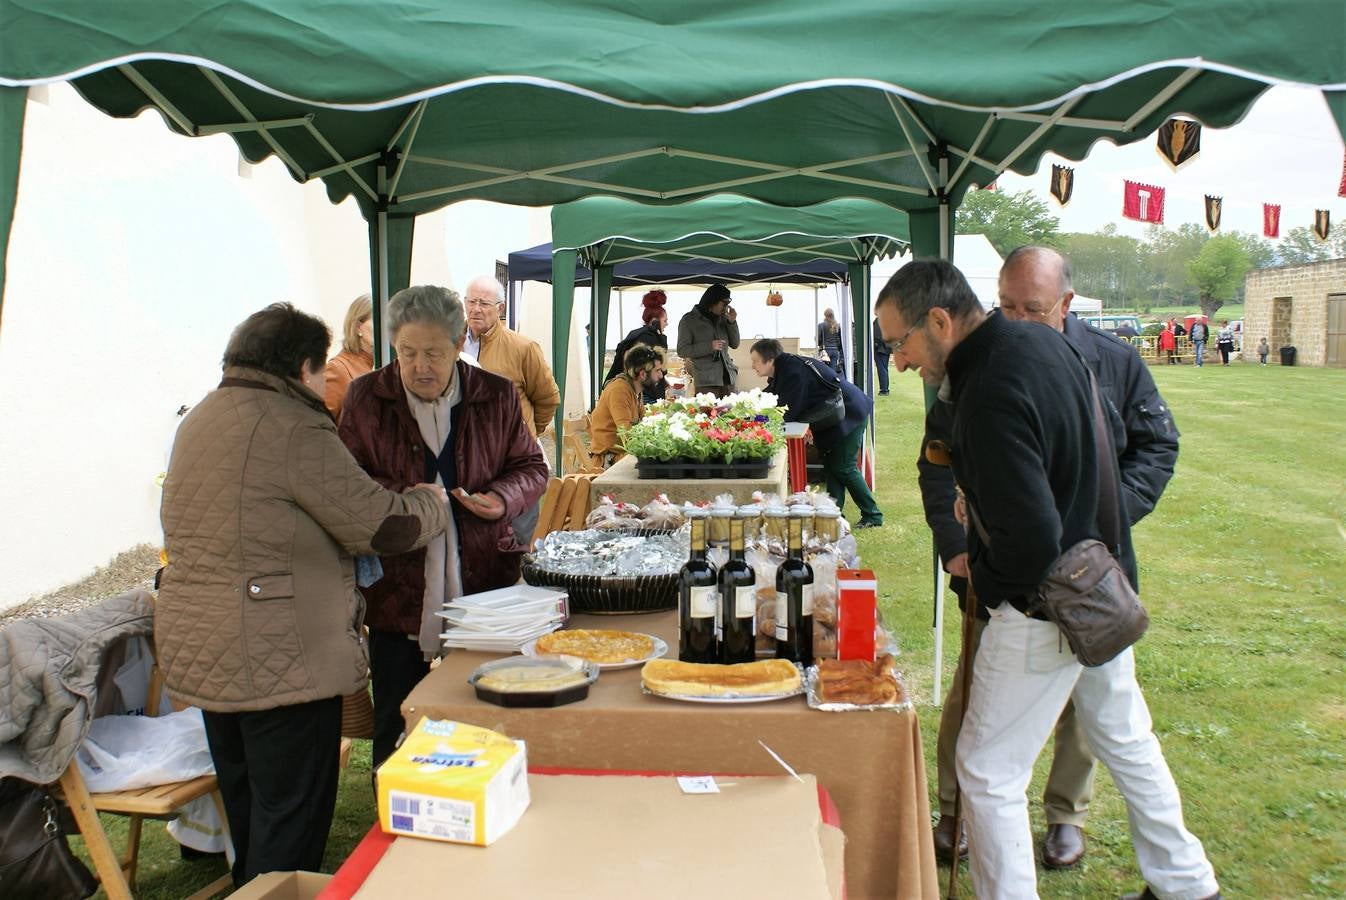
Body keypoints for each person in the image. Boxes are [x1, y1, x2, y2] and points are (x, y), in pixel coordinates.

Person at [879, 259, 1218, 900]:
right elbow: (1088, 460)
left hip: (1045, 607)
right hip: (1099, 581)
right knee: (1125, 738)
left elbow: (1031, 538)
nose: (898, 362)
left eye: (900, 343)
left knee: (987, 771)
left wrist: (983, 569)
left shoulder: (986, 393)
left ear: (941, 321)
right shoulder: (1041, 341)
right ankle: (1187, 884)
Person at [158, 303, 450, 885]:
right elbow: (377, 525)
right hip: (278, 656)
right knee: (290, 815)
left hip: (206, 646)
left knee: (248, 801)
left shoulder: (203, 416)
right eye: (320, 372)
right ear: (303, 367)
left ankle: (251, 886)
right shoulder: (291, 424)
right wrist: (430, 504)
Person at [339, 286, 550, 768]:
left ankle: (482, 797)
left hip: (483, 584)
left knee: (485, 716)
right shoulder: (366, 398)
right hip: (397, 583)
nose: (420, 366)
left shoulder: (493, 395)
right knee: (399, 723)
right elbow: (347, 482)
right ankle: (395, 818)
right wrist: (409, 498)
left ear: (459, 344)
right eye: (407, 352)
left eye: (433, 353)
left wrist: (501, 498)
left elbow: (532, 468)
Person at [461, 274, 560, 544]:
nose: (475, 309)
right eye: (471, 302)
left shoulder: (522, 348)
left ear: (500, 309)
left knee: (515, 539)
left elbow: (548, 398)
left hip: (514, 465)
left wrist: (525, 434)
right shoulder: (452, 344)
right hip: (469, 463)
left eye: (484, 303)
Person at [749, 338, 883, 528]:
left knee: (844, 467)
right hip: (835, 415)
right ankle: (834, 514)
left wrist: (759, 419)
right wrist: (751, 407)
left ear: (769, 359)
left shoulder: (792, 372)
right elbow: (772, 396)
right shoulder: (785, 367)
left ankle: (873, 515)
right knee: (831, 466)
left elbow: (787, 411)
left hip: (849, 411)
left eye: (755, 360)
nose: (752, 365)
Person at [589, 344, 665, 466]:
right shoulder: (620, 390)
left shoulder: (634, 389)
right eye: (657, 371)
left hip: (623, 454)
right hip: (610, 460)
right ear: (642, 374)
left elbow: (641, 425)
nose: (661, 375)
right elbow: (626, 433)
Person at [605, 289, 670, 403]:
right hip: (646, 392)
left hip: (641, 391)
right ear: (655, 321)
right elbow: (652, 368)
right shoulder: (649, 338)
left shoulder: (637, 335)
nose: (666, 324)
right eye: (664, 321)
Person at [676, 283, 739, 398]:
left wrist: (732, 323)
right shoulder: (689, 320)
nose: (726, 308)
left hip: (728, 380)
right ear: (712, 301)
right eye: (724, 304)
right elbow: (682, 350)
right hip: (706, 383)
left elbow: (735, 344)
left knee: (733, 415)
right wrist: (709, 347)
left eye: (728, 304)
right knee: (708, 414)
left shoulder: (724, 318)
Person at [323, 293, 374, 420]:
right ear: (358, 327)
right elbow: (317, 425)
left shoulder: (384, 365)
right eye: (378, 321)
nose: (386, 329)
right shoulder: (338, 369)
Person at [816, 308, 846, 377]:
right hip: (835, 351)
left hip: (825, 351)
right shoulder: (837, 326)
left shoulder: (821, 325)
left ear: (825, 315)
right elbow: (840, 339)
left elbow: (817, 339)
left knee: (823, 371)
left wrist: (819, 343)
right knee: (832, 372)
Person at [872, 316, 891, 395]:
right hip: (887, 348)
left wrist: (875, 346)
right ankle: (885, 388)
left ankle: (884, 389)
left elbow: (876, 335)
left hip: (880, 349)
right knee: (884, 369)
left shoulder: (878, 321)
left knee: (882, 370)